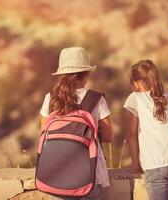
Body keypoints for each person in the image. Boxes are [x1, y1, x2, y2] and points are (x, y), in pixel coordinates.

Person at [39, 47, 114, 200]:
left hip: (57, 175)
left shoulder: (51, 98)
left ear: (61, 75)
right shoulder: (96, 99)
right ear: (86, 74)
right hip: (89, 176)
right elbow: (108, 136)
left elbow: (43, 132)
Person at [123, 60, 168, 200]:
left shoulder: (135, 98)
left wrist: (135, 165)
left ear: (136, 83)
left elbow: (132, 134)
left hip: (153, 166)